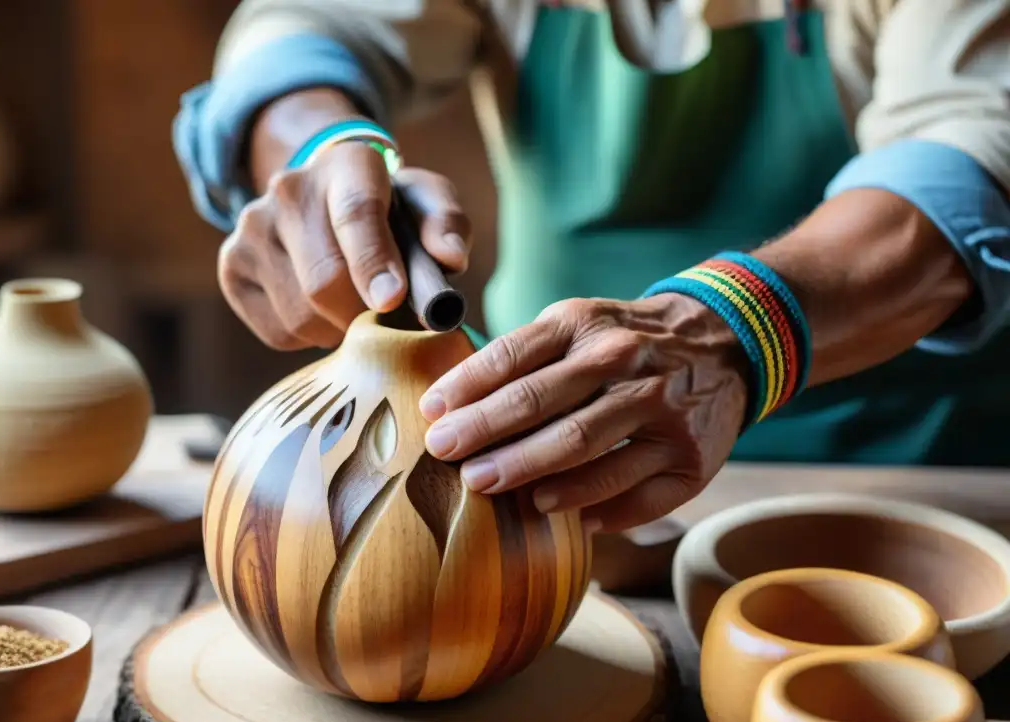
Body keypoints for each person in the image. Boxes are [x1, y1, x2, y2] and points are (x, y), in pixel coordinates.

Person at [173, 0, 1010, 537]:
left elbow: (970, 159)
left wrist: (733, 331)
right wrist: (325, 152)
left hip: (909, 482)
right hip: (576, 478)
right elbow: (312, 27)